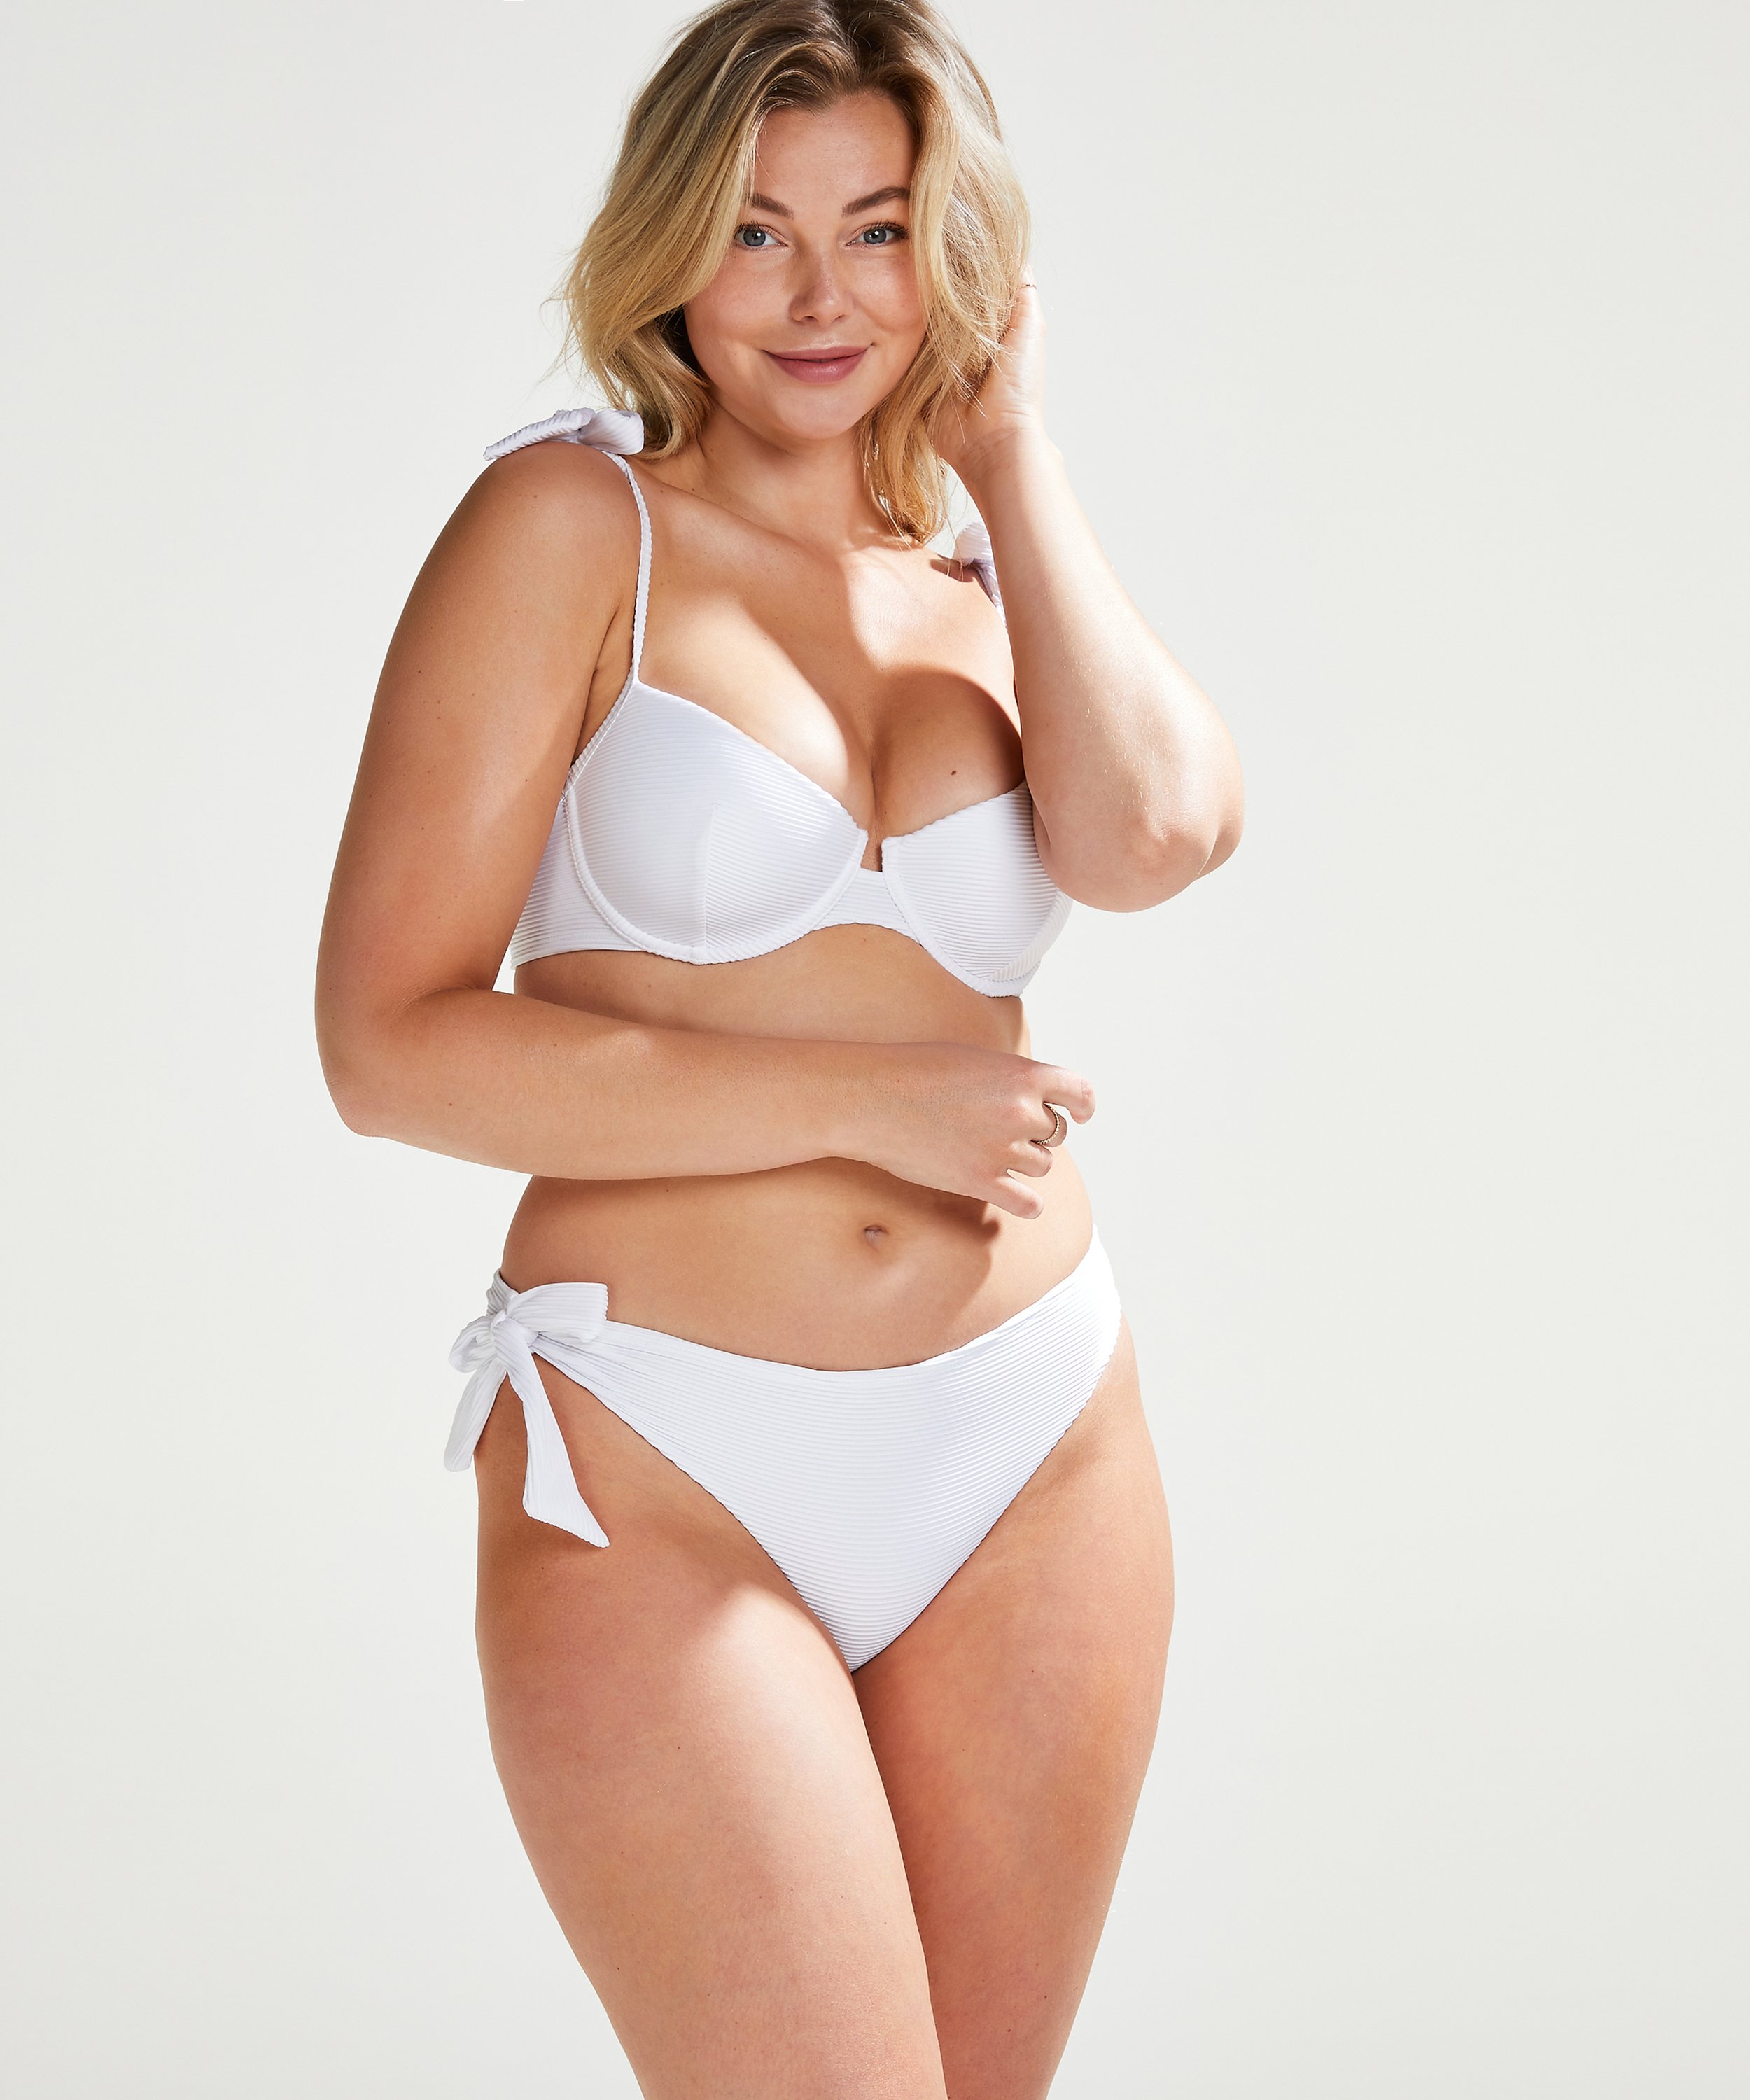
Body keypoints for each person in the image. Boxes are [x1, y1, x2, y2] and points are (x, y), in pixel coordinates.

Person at [316, 1, 1242, 2092]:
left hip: (1035, 1435)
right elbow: (386, 1047)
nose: (822, 298)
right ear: (669, 245)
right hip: (664, 1452)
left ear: (956, 252)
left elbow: (1162, 832)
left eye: (880, 230)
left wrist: (1013, 457)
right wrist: (865, 1104)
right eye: (756, 232)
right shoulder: (573, 531)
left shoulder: (982, 571)